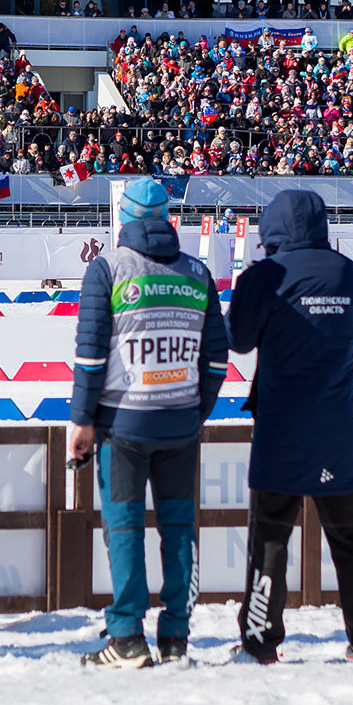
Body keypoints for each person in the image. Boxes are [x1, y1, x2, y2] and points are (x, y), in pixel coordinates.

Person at [225, 189, 353, 663]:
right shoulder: (346, 271)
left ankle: (261, 644)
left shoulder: (264, 276)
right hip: (338, 426)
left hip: (282, 427)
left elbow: (239, 339)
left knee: (270, 539)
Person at [69, 177, 229, 668]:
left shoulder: (107, 269)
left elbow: (92, 357)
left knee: (125, 528)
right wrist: (193, 408)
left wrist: (81, 422)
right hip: (180, 423)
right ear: (165, 219)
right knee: (180, 529)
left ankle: (128, 637)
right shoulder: (197, 273)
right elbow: (218, 360)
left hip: (123, 425)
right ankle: (176, 636)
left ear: (126, 220)